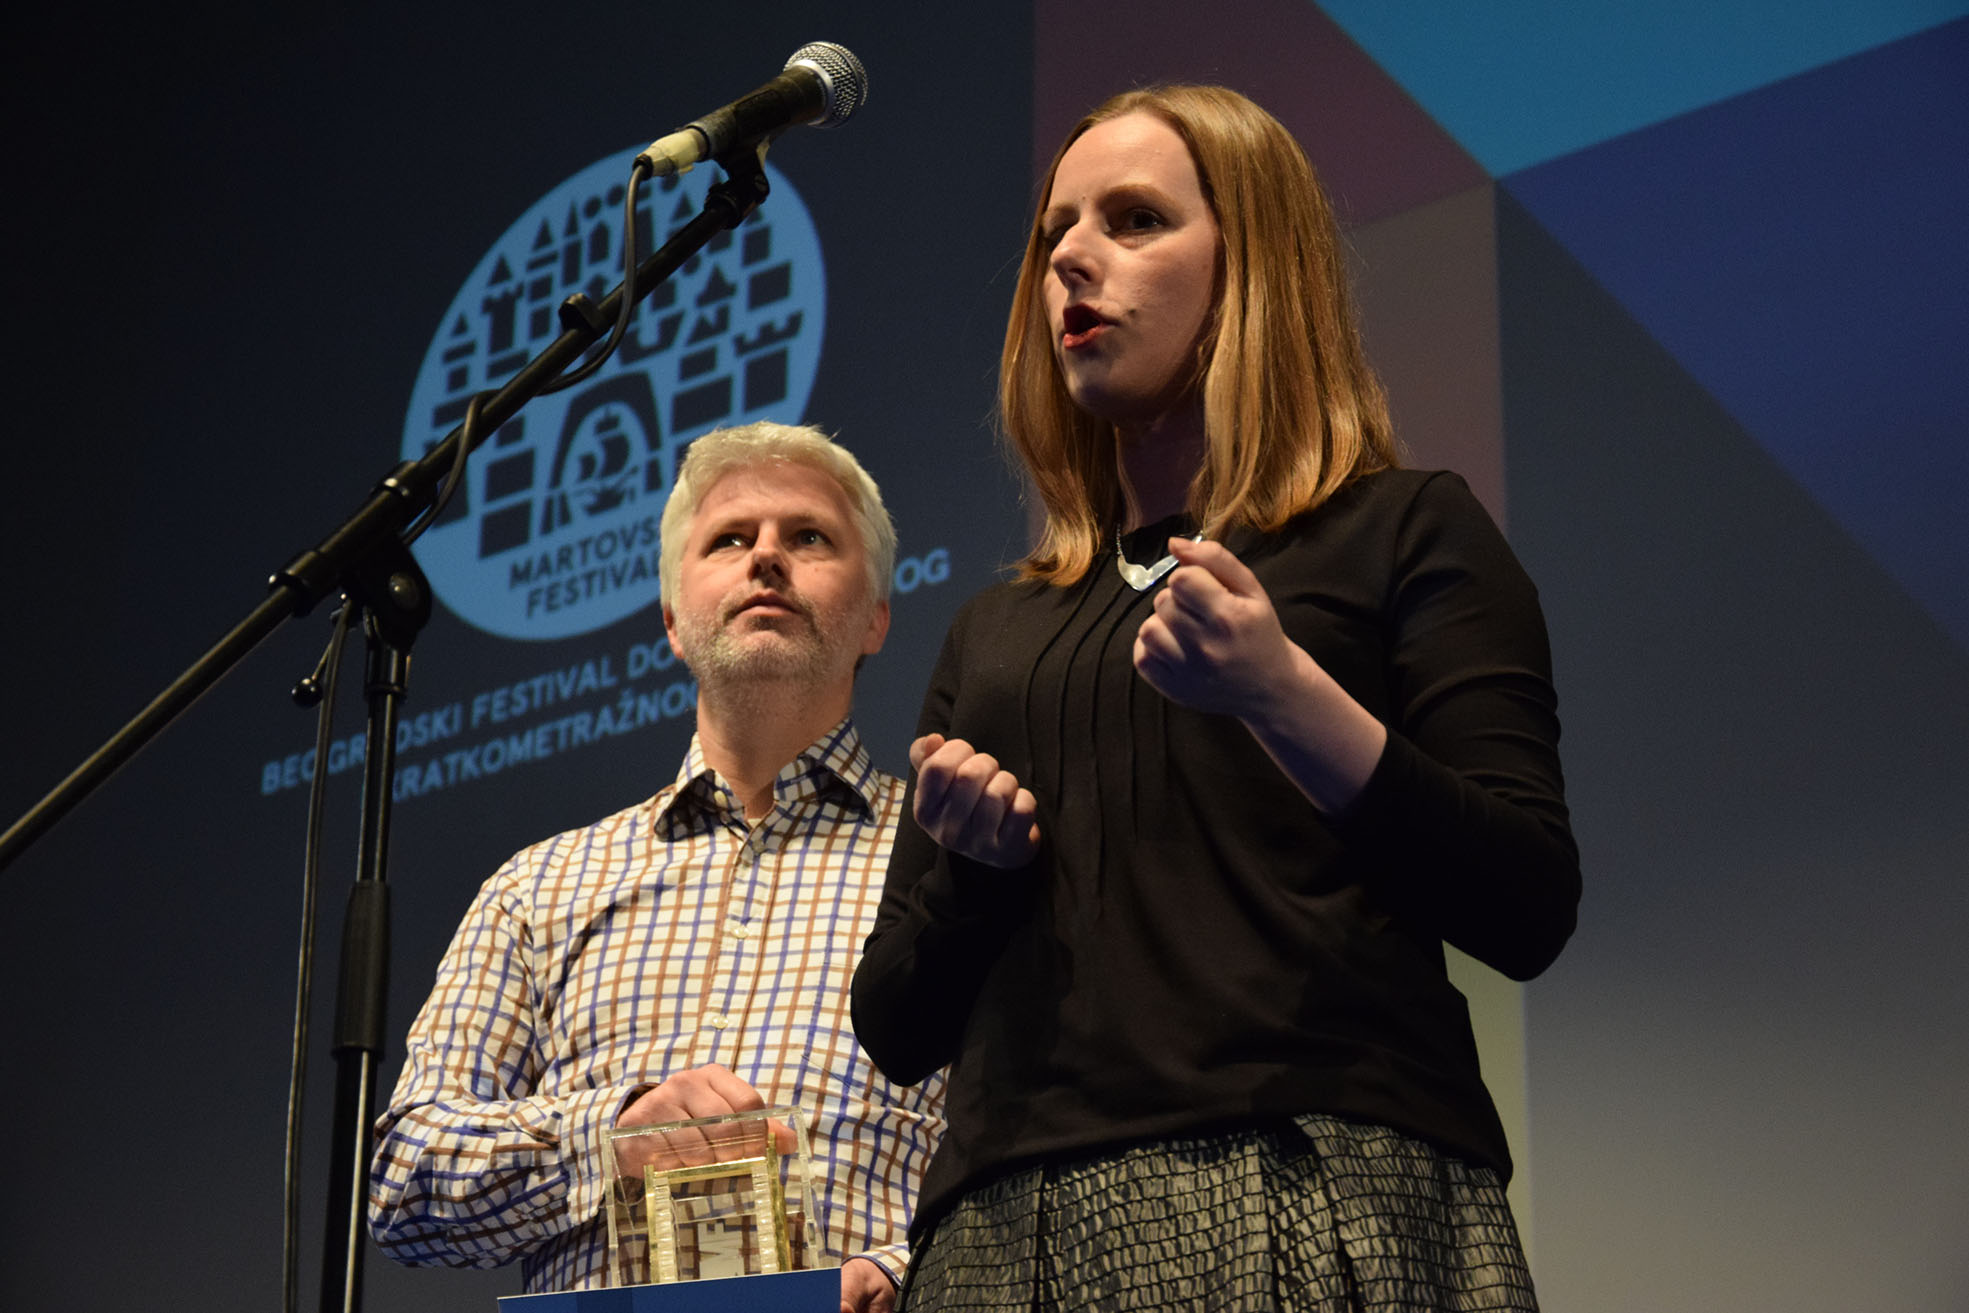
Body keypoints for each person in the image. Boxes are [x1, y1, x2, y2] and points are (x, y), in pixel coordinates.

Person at [851, 86, 1580, 1311]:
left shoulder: (1402, 530)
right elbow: (894, 1022)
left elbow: (1525, 902)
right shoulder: (996, 628)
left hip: (1313, 1174)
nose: (1071, 256)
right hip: (1003, 1227)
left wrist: (1282, 691)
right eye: (1056, 231)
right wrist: (975, 874)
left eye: (1134, 219)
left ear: (1254, 266)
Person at [369, 421, 945, 1312]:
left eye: (808, 537)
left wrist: (909, 1270)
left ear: (875, 615)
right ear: (673, 621)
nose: (766, 557)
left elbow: (1038, 1149)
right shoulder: (540, 888)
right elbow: (402, 1183)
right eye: (729, 540)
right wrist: (609, 1136)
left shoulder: (949, 860)